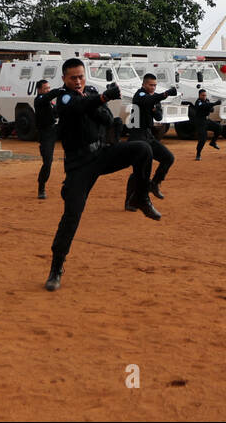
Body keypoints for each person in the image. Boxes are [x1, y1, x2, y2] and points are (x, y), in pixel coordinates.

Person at [46, 58, 158, 292]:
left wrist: (96, 103)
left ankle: (140, 196)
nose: (78, 81)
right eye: (73, 78)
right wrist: (101, 99)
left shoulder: (90, 93)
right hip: (79, 166)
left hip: (101, 154)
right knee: (72, 216)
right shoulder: (63, 98)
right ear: (64, 79)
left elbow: (107, 119)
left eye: (81, 76)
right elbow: (76, 108)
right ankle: (56, 267)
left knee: (143, 149)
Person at [130, 74, 179, 200]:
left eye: (155, 85)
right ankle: (130, 200)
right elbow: (146, 101)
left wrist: (153, 109)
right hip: (137, 136)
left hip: (148, 135)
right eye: (151, 85)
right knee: (140, 171)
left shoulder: (154, 98)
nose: (153, 87)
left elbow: (159, 117)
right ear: (144, 84)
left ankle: (155, 184)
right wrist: (166, 93)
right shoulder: (139, 95)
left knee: (168, 158)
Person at [34, 79, 66, 199]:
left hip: (55, 130)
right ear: (39, 90)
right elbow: (49, 96)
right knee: (47, 163)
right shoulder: (39, 100)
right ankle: (41, 187)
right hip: (45, 134)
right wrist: (59, 90)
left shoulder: (49, 102)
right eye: (45, 88)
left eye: (49, 87)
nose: (48, 90)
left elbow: (56, 112)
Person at [188, 88, 220, 160]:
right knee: (203, 139)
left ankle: (213, 142)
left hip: (207, 120)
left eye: (205, 95)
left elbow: (211, 110)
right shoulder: (198, 102)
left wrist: (209, 106)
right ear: (199, 95)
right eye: (203, 95)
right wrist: (214, 104)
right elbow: (203, 106)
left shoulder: (207, 101)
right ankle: (198, 154)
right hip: (200, 122)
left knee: (219, 127)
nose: (204, 97)